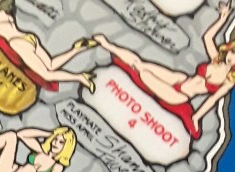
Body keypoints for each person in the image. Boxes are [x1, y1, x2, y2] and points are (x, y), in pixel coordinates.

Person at [91, 3, 235, 134]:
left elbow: (213, 99)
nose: (232, 58)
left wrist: (196, 117)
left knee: (144, 74)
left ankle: (109, 47)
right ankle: (107, 45)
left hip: (179, 96)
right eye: (233, 52)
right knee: (139, 64)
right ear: (229, 49)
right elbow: (208, 38)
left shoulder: (229, 81)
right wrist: (222, 19)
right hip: (180, 79)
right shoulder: (216, 58)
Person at [0, 0, 96, 90]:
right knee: (51, 65)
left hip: (18, 42)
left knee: (47, 75)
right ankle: (77, 48)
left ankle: (80, 77)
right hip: (28, 38)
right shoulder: (6, 13)